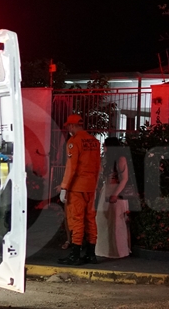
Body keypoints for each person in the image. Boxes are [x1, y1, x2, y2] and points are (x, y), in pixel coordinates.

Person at [56, 114, 100, 265]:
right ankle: (91, 255)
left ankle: (75, 256)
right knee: (90, 219)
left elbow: (71, 167)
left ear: (73, 126)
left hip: (77, 188)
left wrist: (64, 187)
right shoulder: (95, 142)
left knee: (77, 220)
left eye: (68, 126)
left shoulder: (73, 142)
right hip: (91, 187)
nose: (67, 128)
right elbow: (97, 166)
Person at [95, 137, 133, 259]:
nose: (103, 148)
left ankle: (117, 251)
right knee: (103, 221)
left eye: (105, 145)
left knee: (116, 224)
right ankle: (104, 250)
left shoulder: (121, 159)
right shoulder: (107, 159)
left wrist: (115, 194)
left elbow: (124, 179)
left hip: (116, 194)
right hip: (106, 192)